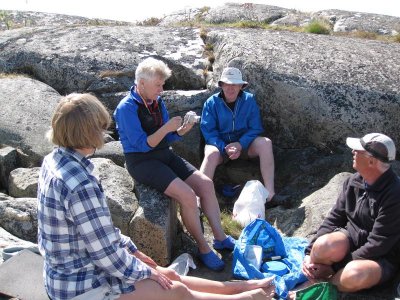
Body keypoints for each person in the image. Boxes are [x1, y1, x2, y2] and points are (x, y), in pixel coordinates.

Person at [37, 92, 276, 300]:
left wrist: (133, 251)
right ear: (88, 133)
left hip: (76, 271)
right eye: (100, 127)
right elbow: (106, 256)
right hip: (82, 288)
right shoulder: (80, 184)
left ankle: (242, 287)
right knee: (176, 291)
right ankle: (248, 297)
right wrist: (147, 272)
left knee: (169, 274)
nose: (105, 133)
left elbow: (99, 235)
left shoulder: (54, 160)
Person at [113, 57, 235, 271]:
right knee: (187, 195)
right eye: (158, 85)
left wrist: (179, 132)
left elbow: (166, 139)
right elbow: (142, 144)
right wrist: (167, 129)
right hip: (142, 161)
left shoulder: (156, 102)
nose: (161, 90)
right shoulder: (127, 108)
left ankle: (220, 237)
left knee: (205, 184)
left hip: (163, 154)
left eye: (162, 85)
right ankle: (203, 248)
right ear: (141, 83)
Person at [302, 133, 400, 293]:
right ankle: (314, 279)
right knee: (322, 245)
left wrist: (336, 268)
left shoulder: (395, 194)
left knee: (353, 274)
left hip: (381, 258)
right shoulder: (354, 181)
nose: (353, 152)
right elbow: (333, 219)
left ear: (371, 161)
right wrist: (309, 252)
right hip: (351, 239)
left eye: (358, 150)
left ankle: (321, 290)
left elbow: (378, 244)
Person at [200, 67, 288, 208]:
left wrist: (240, 144)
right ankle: (199, 201)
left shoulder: (249, 100)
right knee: (210, 154)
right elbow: (208, 132)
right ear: (221, 85)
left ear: (241, 86)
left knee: (266, 143)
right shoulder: (211, 103)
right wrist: (224, 148)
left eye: (234, 84)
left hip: (245, 146)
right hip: (221, 148)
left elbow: (256, 128)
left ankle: (270, 195)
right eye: (227, 84)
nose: (230, 88)